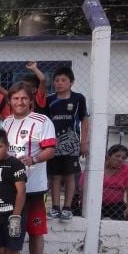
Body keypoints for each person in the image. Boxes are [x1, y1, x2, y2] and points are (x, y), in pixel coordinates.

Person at [2, 82, 56, 254]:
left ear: (30, 100)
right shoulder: (5, 123)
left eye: (24, 98)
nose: (20, 102)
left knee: (35, 230)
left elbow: (50, 150)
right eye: (15, 98)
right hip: (10, 189)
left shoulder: (42, 121)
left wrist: (33, 159)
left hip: (34, 187)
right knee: (10, 230)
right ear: (9, 101)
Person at [46, 66, 89, 221]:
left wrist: (84, 142)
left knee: (69, 175)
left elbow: (84, 120)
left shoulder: (78, 99)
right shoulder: (49, 100)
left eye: (63, 80)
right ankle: (55, 207)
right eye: (56, 80)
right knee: (55, 176)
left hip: (72, 143)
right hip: (53, 144)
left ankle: (68, 207)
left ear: (71, 82)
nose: (59, 83)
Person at [79, 144, 128, 220]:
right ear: (109, 156)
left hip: (116, 205)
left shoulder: (125, 168)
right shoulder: (97, 166)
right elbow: (82, 186)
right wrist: (85, 204)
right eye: (117, 156)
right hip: (94, 203)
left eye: (123, 158)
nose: (120, 159)